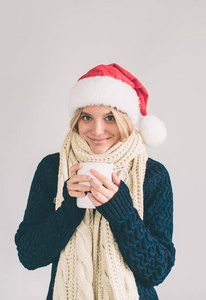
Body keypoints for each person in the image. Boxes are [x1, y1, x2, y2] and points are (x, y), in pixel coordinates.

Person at [15, 63, 175, 300]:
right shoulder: (52, 169)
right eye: (87, 117)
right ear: (76, 120)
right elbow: (29, 255)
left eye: (110, 117)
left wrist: (122, 212)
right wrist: (69, 208)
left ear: (126, 120)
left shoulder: (152, 175)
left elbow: (157, 270)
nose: (97, 130)